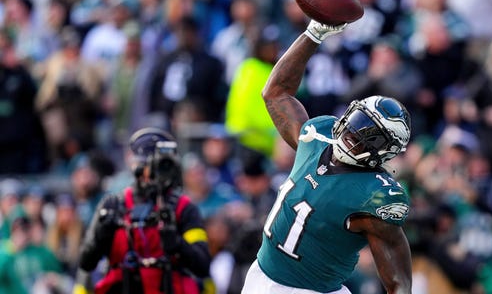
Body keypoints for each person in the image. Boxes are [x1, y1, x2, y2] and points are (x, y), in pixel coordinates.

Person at [240, 19, 412, 293]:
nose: (356, 134)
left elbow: (398, 283)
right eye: (358, 122)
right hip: (261, 275)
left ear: (386, 151)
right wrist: (313, 33)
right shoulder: (318, 136)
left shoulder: (374, 195)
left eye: (372, 135)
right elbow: (275, 93)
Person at [75, 127, 211, 294]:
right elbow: (85, 263)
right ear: (136, 167)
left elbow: (203, 265)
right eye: (150, 165)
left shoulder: (184, 208)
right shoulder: (113, 205)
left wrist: (177, 244)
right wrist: (100, 238)